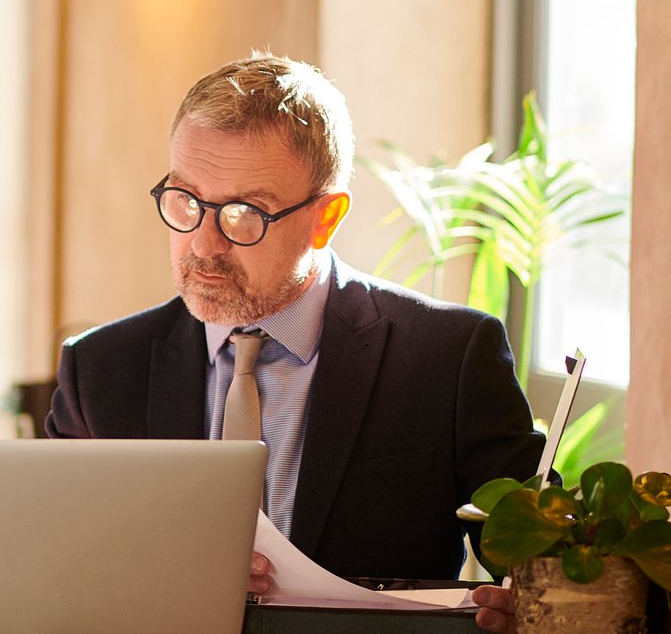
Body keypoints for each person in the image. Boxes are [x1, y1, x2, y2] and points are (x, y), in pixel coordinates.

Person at [47, 55, 545, 585]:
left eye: (245, 214)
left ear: (325, 219)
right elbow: (51, 564)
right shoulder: (98, 370)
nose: (202, 244)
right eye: (186, 200)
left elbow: (545, 573)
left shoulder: (449, 358)